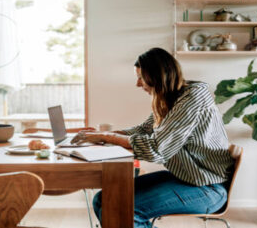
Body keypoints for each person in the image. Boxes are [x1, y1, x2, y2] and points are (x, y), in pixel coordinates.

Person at [71, 47, 235, 228]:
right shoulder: (170, 99)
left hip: (207, 188)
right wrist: (100, 136)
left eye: (141, 78)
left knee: (125, 210)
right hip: (183, 178)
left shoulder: (193, 97)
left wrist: (108, 137)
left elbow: (157, 149)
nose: (138, 84)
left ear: (158, 76)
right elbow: (143, 130)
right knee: (103, 199)